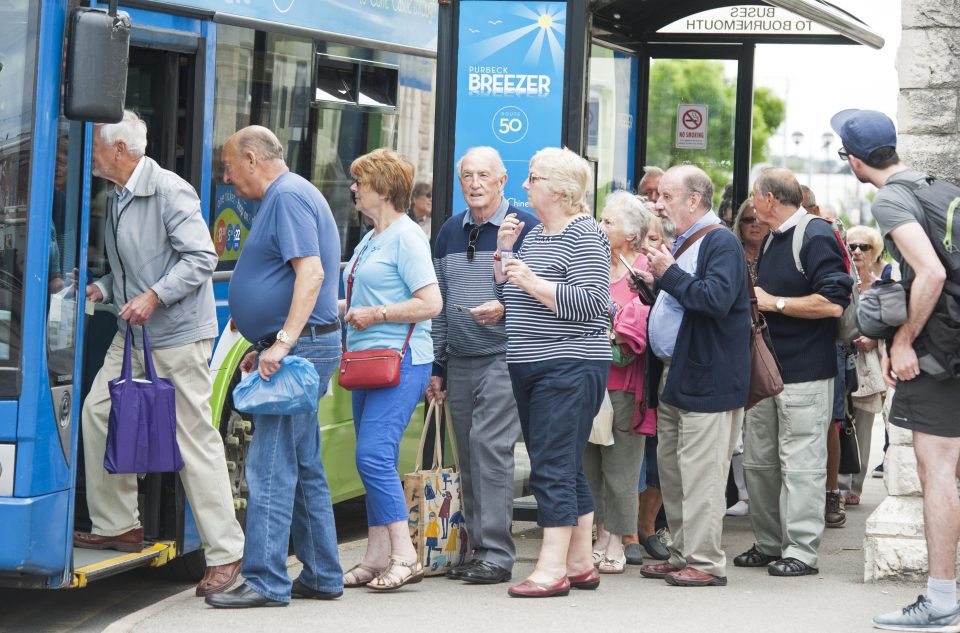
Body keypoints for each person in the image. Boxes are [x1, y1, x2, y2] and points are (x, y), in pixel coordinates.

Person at [74, 110, 244, 597]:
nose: (92, 155)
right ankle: (118, 525)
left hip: (178, 335)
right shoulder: (118, 196)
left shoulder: (169, 190)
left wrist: (154, 296)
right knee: (97, 412)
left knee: (193, 440)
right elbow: (131, 268)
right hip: (133, 335)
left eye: (97, 147)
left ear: (120, 151)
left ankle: (226, 553)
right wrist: (102, 289)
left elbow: (201, 259)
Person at [831, 108, 960, 630]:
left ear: (856, 160)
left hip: (939, 354)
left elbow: (928, 271)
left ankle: (941, 597)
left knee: (939, 471)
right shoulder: (940, 187)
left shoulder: (890, 197)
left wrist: (903, 341)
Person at [205, 126, 343, 608]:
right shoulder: (292, 194)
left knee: (269, 465)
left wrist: (281, 343)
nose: (226, 177)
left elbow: (312, 272)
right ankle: (324, 573)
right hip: (299, 345)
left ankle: (264, 580)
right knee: (303, 464)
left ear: (250, 158)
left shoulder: (286, 197)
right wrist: (266, 340)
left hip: (300, 348)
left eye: (227, 166)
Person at [495, 147, 610, 598]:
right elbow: (516, 294)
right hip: (531, 362)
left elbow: (592, 305)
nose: (525, 186)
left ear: (560, 190)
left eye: (532, 178)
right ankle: (580, 563)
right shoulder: (537, 234)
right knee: (560, 461)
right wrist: (505, 256)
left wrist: (531, 282)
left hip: (569, 362)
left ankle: (551, 568)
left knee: (551, 466)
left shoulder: (584, 233)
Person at [632, 165, 751, 588]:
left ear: (694, 200)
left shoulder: (720, 241)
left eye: (666, 196)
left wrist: (670, 275)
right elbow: (685, 299)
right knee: (675, 473)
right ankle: (683, 552)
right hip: (678, 375)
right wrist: (654, 283)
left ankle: (705, 561)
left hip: (709, 380)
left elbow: (715, 299)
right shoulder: (686, 242)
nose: (658, 204)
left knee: (701, 474)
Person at [735, 167, 852, 578]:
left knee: (801, 464)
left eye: (754, 197)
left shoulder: (815, 234)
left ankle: (801, 551)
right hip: (770, 371)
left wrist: (775, 303)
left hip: (804, 371)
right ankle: (769, 544)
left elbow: (834, 303)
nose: (751, 206)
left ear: (770, 198)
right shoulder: (773, 237)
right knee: (760, 463)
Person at [429, 147, 538, 585]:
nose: (474, 183)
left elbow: (542, 293)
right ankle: (477, 548)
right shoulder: (449, 231)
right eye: (467, 176)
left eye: (483, 175)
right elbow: (437, 303)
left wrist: (506, 308)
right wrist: (438, 365)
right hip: (459, 358)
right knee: (469, 454)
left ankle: (496, 552)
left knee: (489, 446)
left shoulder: (525, 227)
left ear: (502, 180)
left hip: (504, 355)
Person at [341, 148, 442, 591]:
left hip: (400, 363)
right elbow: (362, 301)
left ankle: (405, 555)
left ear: (382, 189)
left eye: (359, 182)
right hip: (367, 362)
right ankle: (376, 556)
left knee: (373, 457)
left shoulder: (407, 237)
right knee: (370, 461)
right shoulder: (370, 238)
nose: (353, 189)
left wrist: (377, 314)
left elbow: (430, 303)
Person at [585, 191, 655, 574]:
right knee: (590, 462)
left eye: (608, 222)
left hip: (626, 381)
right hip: (590, 378)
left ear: (631, 233)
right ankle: (598, 535)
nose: (600, 226)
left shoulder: (642, 269)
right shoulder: (594, 263)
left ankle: (616, 537)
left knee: (622, 465)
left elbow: (639, 324)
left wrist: (610, 330)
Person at [839, 225, 892, 506]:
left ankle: (854, 486)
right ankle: (839, 483)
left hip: (870, 364)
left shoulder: (885, 280)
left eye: (864, 247)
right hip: (843, 358)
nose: (857, 251)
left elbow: (896, 319)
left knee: (863, 426)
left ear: (875, 251)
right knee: (841, 422)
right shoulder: (843, 277)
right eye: (852, 246)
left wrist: (875, 337)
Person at [726, 198, 770, 517]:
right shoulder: (731, 254)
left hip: (768, 344)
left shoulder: (774, 255)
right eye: (747, 220)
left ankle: (762, 497)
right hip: (737, 342)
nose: (754, 224)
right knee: (738, 428)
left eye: (760, 220)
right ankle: (743, 494)